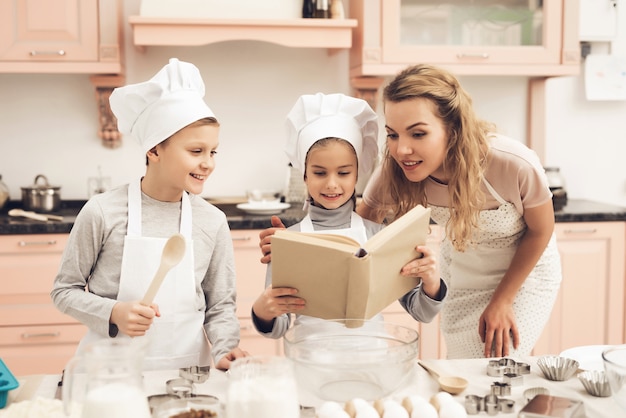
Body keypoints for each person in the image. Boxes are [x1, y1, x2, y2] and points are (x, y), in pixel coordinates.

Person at [261, 65, 562, 359]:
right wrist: (296, 248)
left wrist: (502, 300)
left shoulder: (511, 163)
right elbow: (358, 244)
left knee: (497, 363)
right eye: (393, 135)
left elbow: (541, 230)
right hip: (460, 272)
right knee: (463, 366)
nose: (402, 150)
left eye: (417, 134)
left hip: (524, 277)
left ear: (453, 128)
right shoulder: (396, 171)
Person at [51, 58, 247, 370]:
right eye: (196, 151)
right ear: (154, 150)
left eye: (213, 152)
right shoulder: (103, 212)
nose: (208, 163)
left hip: (187, 379)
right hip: (111, 375)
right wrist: (114, 313)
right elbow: (64, 291)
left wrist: (225, 348)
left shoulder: (212, 221)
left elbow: (220, 305)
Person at [251, 92, 446, 338]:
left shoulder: (379, 236)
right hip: (311, 362)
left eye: (343, 173)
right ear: (305, 176)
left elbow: (422, 313)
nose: (332, 184)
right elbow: (278, 328)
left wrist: (431, 281)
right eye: (320, 173)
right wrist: (263, 309)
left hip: (370, 359)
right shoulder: (288, 241)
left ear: (356, 175)